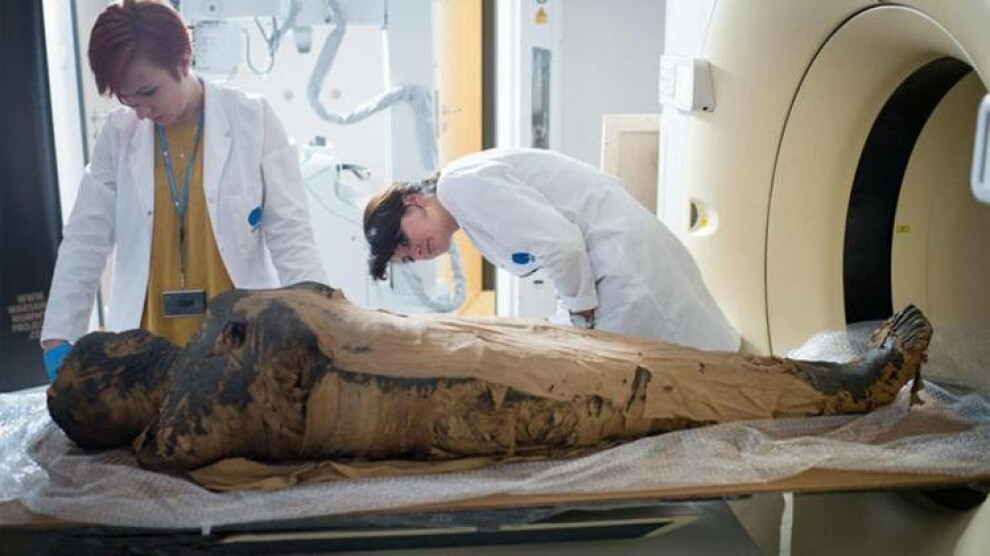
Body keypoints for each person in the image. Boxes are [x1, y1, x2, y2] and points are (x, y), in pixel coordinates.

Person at [46, 281, 931, 482]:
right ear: (110, 383)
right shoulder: (183, 424)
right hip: (438, 396)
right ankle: (853, 386)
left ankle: (829, 377)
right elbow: (243, 408)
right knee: (644, 385)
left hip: (433, 344)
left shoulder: (208, 347)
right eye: (107, 347)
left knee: (630, 357)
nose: (124, 331)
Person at [40, 0, 327, 378]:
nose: (142, 111)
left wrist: (321, 324)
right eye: (128, 99)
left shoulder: (252, 119)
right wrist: (58, 335)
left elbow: (291, 234)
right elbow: (85, 238)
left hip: (238, 344)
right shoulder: (118, 134)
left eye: (149, 92)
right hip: (147, 345)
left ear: (182, 61)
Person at [362, 148, 739, 351]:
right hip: (623, 266)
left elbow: (560, 243)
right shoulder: (467, 213)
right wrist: (565, 318)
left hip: (628, 270)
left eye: (404, 241)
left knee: (705, 377)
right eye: (408, 258)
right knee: (705, 365)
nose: (417, 253)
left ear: (412, 200)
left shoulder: (458, 186)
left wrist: (579, 318)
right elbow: (554, 254)